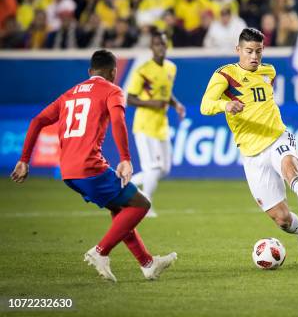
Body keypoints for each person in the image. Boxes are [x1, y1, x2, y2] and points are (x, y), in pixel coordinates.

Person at [11, 50, 176, 282]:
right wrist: (125, 158)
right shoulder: (112, 90)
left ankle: (147, 264)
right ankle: (101, 251)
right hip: (90, 167)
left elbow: (37, 120)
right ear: (113, 72)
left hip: (68, 171)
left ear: (90, 72)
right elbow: (118, 122)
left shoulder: (68, 94)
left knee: (120, 211)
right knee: (141, 204)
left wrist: (24, 159)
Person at [200, 28, 298, 263]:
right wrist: (225, 106)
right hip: (251, 153)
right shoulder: (225, 75)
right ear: (237, 50)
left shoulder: (269, 71)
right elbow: (205, 105)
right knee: (281, 219)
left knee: (292, 171)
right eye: (249, 51)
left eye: (258, 51)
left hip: (277, 137)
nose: (254, 57)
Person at [127, 30, 185, 217]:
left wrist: (176, 104)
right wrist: (152, 103)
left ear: (166, 46)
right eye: (156, 44)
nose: (160, 47)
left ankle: (128, 185)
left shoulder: (171, 68)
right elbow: (130, 98)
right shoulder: (143, 71)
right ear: (151, 47)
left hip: (161, 124)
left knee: (164, 169)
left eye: (163, 43)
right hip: (144, 125)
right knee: (152, 167)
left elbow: (165, 93)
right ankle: (145, 204)